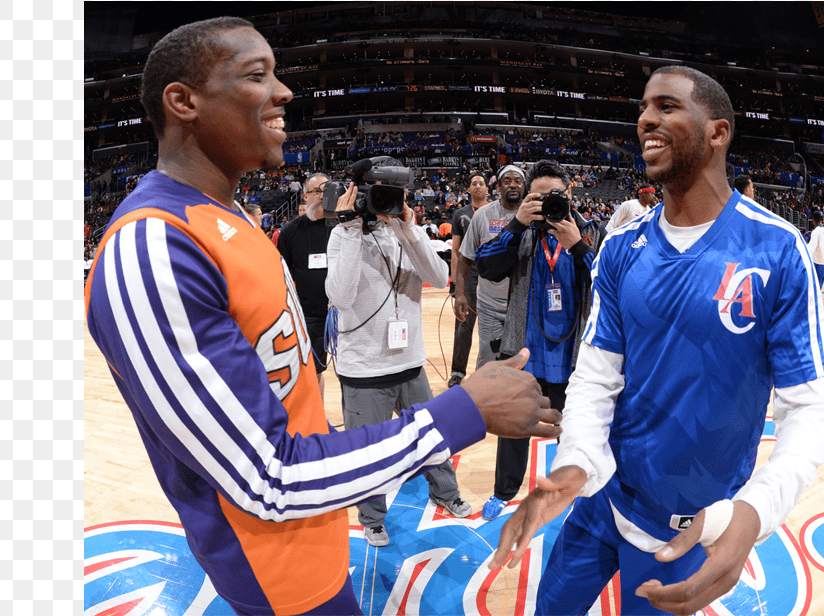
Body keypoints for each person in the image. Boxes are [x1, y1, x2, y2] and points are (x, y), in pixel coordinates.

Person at [84, 18, 561, 616]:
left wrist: (403, 225)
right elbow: (265, 479)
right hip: (275, 572)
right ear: (183, 102)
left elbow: (285, 406)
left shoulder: (228, 220)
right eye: (259, 75)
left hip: (315, 530)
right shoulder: (151, 248)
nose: (284, 91)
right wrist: (464, 411)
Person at [491, 65, 824, 616]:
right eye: (645, 107)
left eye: (667, 106)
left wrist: (754, 513)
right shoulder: (623, 246)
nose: (646, 117)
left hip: (686, 524)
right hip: (602, 497)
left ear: (718, 132)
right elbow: (596, 377)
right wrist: (575, 461)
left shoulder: (778, 249)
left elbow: (806, 409)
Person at [325, 156, 473, 548]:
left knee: (432, 437)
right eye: (381, 194)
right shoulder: (342, 235)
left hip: (409, 362)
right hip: (363, 367)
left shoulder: (407, 231)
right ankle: (372, 517)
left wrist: (408, 227)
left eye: (397, 195)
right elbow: (339, 296)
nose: (388, 201)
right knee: (368, 451)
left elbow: (440, 278)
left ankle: (446, 493)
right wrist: (351, 228)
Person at [473, 159, 606, 522]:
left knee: (574, 431)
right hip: (526, 352)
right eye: (539, 196)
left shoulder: (591, 230)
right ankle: (504, 492)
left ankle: (571, 491)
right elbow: (486, 268)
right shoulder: (523, 232)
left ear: (570, 194)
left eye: (555, 196)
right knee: (514, 427)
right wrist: (517, 224)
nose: (548, 204)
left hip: (574, 357)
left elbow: (610, 284)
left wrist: (578, 246)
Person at [455, 165, 526, 376]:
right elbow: (465, 257)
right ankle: (483, 404)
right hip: (490, 303)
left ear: (525, 186)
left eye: (518, 181)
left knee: (523, 359)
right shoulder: (483, 215)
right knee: (488, 358)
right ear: (498, 187)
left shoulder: (535, 215)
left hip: (524, 306)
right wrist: (459, 293)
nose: (513, 184)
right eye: (507, 181)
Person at [276, 172, 332, 402]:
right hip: (310, 315)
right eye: (315, 191)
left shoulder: (345, 226)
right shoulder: (290, 232)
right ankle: (316, 422)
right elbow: (281, 276)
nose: (320, 196)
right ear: (305, 196)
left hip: (348, 313)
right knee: (313, 370)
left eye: (325, 190)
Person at [447, 171, 489, 388]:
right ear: (469, 189)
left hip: (493, 276)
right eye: (474, 183)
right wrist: (456, 284)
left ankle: (491, 373)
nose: (478, 186)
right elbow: (455, 250)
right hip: (469, 276)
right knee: (464, 325)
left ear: (487, 189)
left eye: (482, 183)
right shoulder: (460, 214)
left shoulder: (496, 212)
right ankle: (457, 373)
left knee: (493, 328)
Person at [807, 210, 824, 291]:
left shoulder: (816, 231)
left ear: (814, 220)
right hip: (823, 263)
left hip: (816, 263)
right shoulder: (823, 230)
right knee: (819, 288)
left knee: (813, 288)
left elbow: (811, 248)